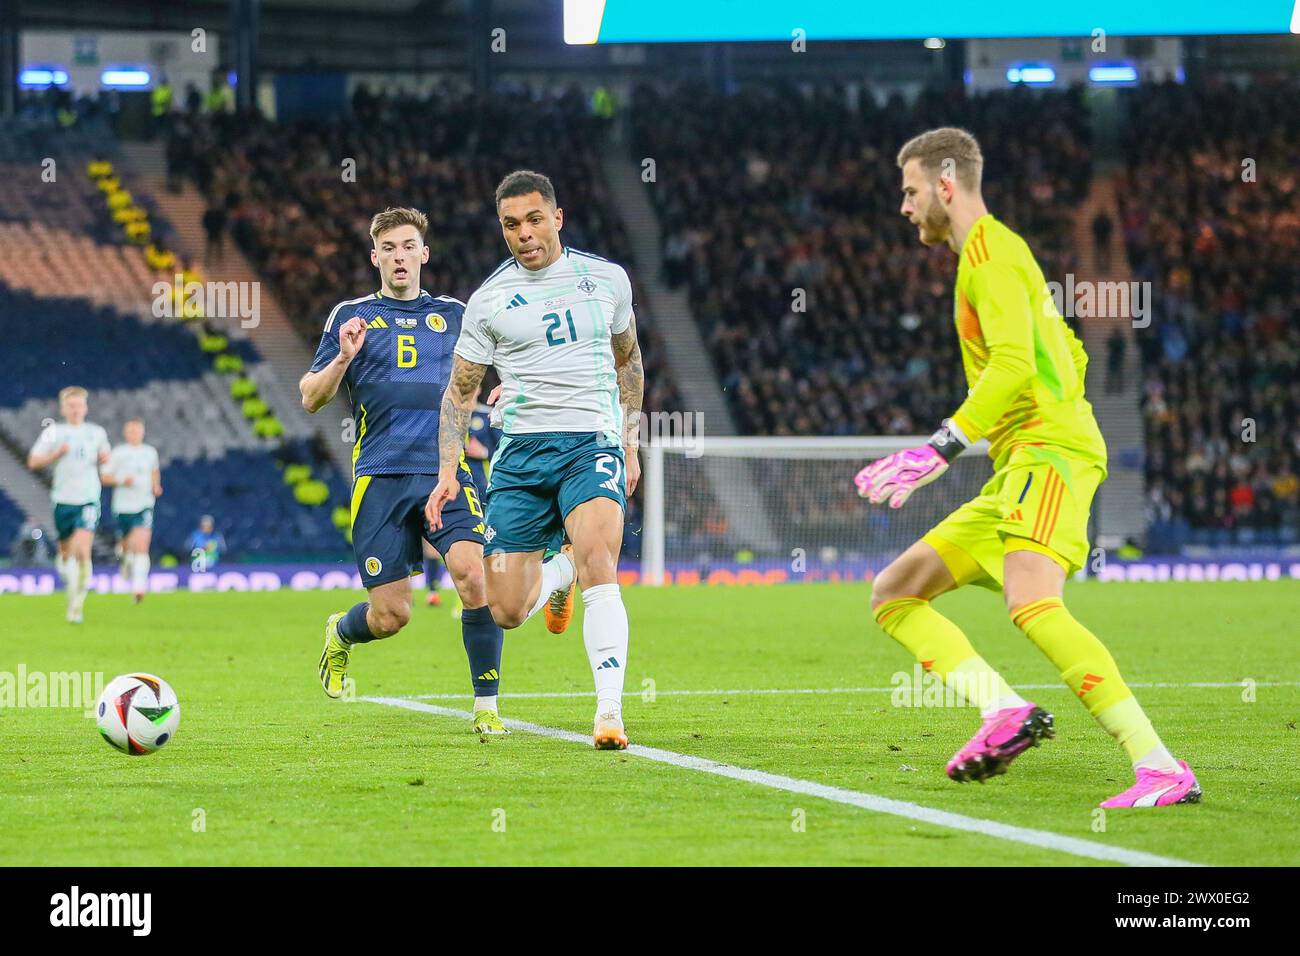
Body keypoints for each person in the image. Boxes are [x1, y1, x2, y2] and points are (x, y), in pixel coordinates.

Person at [857, 128, 1200, 809]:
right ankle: (1002, 711)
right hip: (1023, 462)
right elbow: (1066, 351)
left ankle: (1160, 765)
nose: (904, 206)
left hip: (1049, 454)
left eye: (910, 190)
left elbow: (1015, 363)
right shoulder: (1002, 255)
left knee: (1032, 603)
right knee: (895, 592)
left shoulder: (988, 254)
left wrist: (940, 447)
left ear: (945, 184)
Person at [426, 169, 644, 750]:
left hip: (589, 442)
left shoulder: (606, 280)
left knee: (603, 558)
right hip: (520, 455)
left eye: (533, 219)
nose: (524, 233)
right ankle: (560, 572)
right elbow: (460, 391)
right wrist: (448, 472)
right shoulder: (490, 300)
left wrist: (628, 438)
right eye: (510, 224)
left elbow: (628, 362)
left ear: (557, 217)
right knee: (506, 610)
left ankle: (609, 713)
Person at [301, 206, 507, 735]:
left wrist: (509, 385)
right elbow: (310, 398)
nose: (399, 256)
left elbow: (507, 362)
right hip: (381, 476)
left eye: (408, 245)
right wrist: (344, 358)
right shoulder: (351, 317)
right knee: (392, 617)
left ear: (424, 253)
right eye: (388, 247)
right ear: (375, 257)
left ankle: (486, 709)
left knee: (473, 576)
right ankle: (343, 632)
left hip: (446, 471)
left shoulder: (457, 315)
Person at [26, 386, 111, 624]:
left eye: (79, 405)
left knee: (83, 551)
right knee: (66, 554)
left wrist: (106, 460)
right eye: (70, 405)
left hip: (88, 498)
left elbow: (106, 459)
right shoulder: (55, 433)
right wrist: (56, 454)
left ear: (86, 407)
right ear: (63, 408)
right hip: (63, 500)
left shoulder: (97, 433)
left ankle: (77, 606)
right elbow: (33, 462)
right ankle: (71, 590)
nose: (75, 409)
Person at [101, 418, 162, 603]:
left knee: (142, 545)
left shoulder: (150, 452)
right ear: (126, 433)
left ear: (143, 432)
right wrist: (121, 480)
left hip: (144, 504)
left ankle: (139, 588)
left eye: (138, 430)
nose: (135, 433)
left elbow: (154, 471)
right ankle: (126, 560)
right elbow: (104, 477)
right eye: (131, 430)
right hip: (123, 506)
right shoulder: (118, 453)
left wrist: (156, 486)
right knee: (127, 547)